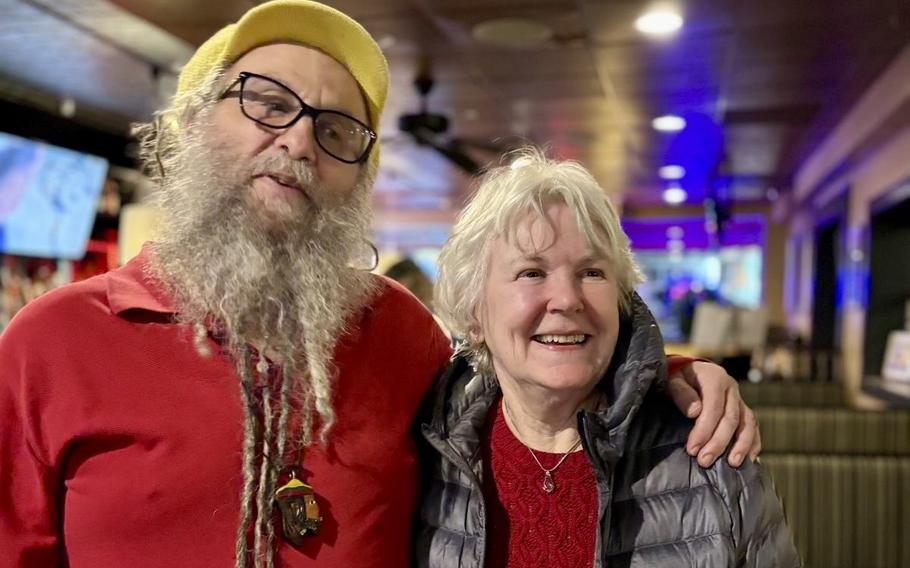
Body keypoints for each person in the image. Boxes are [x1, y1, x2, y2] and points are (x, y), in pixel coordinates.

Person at [0, 2, 759, 567]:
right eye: (267, 102)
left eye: (336, 129)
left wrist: (667, 377)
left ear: (356, 177)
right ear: (194, 124)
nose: (299, 138)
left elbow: (533, 382)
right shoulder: (50, 344)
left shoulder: (401, 333)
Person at [417, 150, 798, 567]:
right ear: (475, 313)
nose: (566, 299)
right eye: (532, 272)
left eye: (592, 272)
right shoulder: (430, 447)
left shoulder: (711, 454)